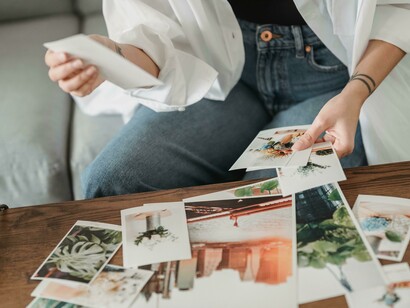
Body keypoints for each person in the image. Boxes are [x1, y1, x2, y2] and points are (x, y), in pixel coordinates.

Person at [45, 0, 409, 198]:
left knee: (275, 195)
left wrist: (356, 90)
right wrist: (112, 56)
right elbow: (153, 39)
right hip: (224, 76)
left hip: (338, 79)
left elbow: (399, 10)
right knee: (114, 179)